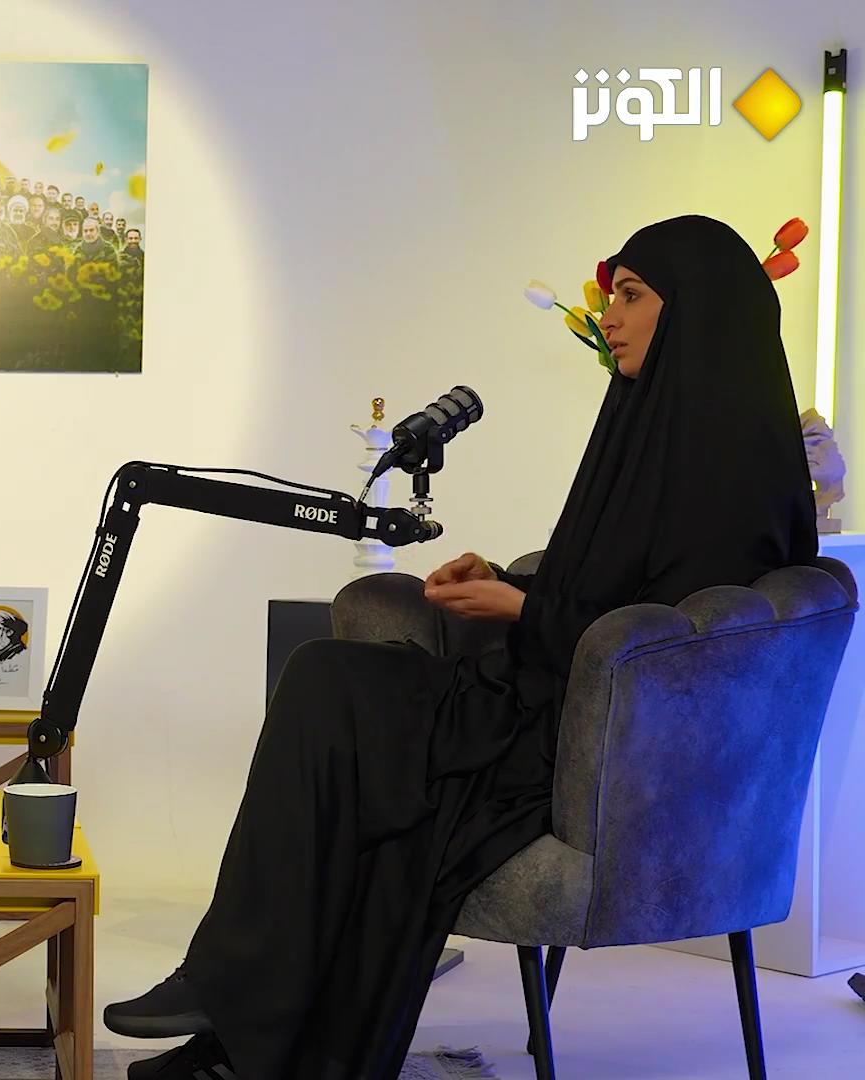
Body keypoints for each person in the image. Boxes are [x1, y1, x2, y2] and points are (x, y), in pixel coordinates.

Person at [103, 214, 817, 1079]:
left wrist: (525, 607)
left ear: (695, 308)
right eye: (613, 296)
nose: (610, 317)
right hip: (540, 693)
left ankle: (233, 1005)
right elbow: (613, 584)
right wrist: (512, 587)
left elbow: (669, 643)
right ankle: (234, 1013)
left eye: (632, 296)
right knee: (330, 690)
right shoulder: (652, 427)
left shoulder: (734, 464)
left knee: (340, 709)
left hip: (601, 756)